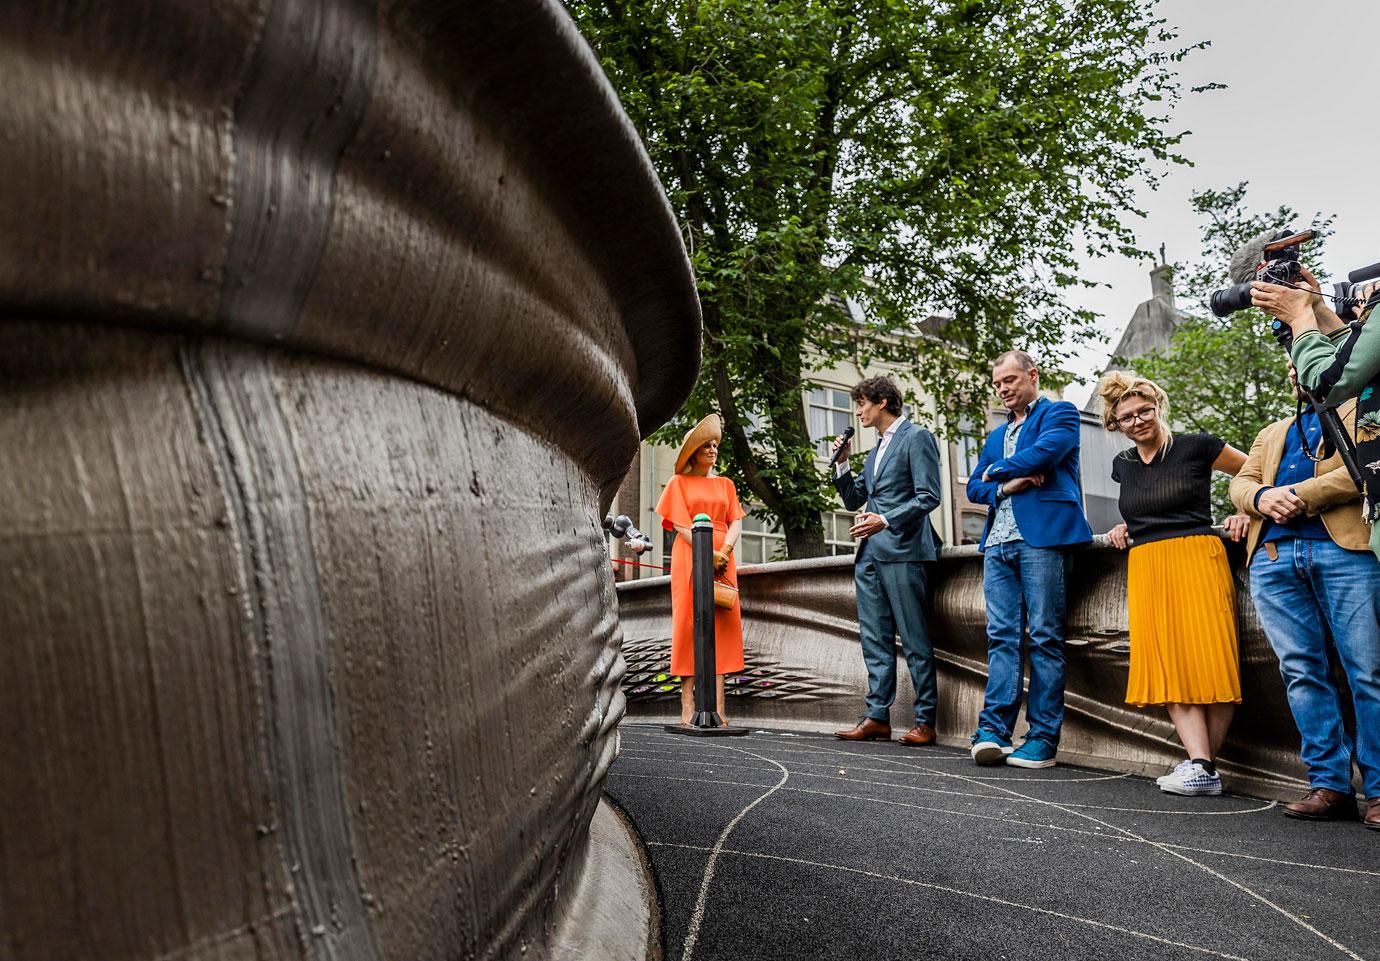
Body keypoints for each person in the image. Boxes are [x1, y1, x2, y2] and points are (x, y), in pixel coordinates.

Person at [1229, 372, 1380, 829]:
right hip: (1273, 559)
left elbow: (1365, 467)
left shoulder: (1366, 412)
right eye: (1291, 365)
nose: (1297, 373)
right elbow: (1240, 483)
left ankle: (1378, 790)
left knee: (1368, 671)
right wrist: (1259, 497)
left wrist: (1294, 495)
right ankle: (1330, 785)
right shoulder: (1272, 431)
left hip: (1346, 552)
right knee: (1299, 672)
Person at [1099, 373, 1250, 796]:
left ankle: (1202, 766)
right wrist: (1125, 524)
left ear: (1158, 406)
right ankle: (1202, 766)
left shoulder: (1198, 445)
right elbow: (1147, 505)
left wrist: (1248, 509)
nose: (1138, 420)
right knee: (1169, 665)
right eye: (1126, 417)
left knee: (1211, 660)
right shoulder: (1122, 465)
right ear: (1115, 424)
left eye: (1144, 410)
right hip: (1147, 564)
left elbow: (1254, 471)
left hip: (1198, 557)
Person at [966, 351, 1092, 769]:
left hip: (1042, 539)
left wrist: (992, 472)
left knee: (1044, 637)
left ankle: (1041, 738)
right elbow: (972, 490)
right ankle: (993, 732)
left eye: (1010, 380)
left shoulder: (1061, 413)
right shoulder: (993, 434)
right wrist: (1005, 485)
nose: (1003, 389)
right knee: (1001, 637)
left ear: (1032, 376)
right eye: (998, 384)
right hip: (997, 545)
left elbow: (1045, 454)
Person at [830, 376, 944, 745]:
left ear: (881, 402)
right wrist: (843, 465)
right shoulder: (873, 452)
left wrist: (886, 520)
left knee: (914, 639)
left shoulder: (917, 438)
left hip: (906, 552)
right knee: (874, 640)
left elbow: (929, 496)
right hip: (870, 557)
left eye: (861, 403)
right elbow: (853, 500)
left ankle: (925, 721)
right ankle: (877, 716)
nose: (858, 411)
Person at [1253, 273, 1380, 562]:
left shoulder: (1351, 407)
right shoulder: (1273, 431)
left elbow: (1328, 381)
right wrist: (1318, 308)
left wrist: (1299, 318)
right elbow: (1357, 360)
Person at [655, 414, 746, 725]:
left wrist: (725, 551)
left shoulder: (726, 484)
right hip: (691, 556)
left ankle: (719, 707)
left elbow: (736, 521)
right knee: (687, 623)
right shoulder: (678, 483)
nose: (712, 449)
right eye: (706, 445)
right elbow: (679, 523)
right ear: (693, 452)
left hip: (723, 557)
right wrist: (706, 551)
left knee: (723, 623)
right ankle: (687, 704)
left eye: (715, 445)